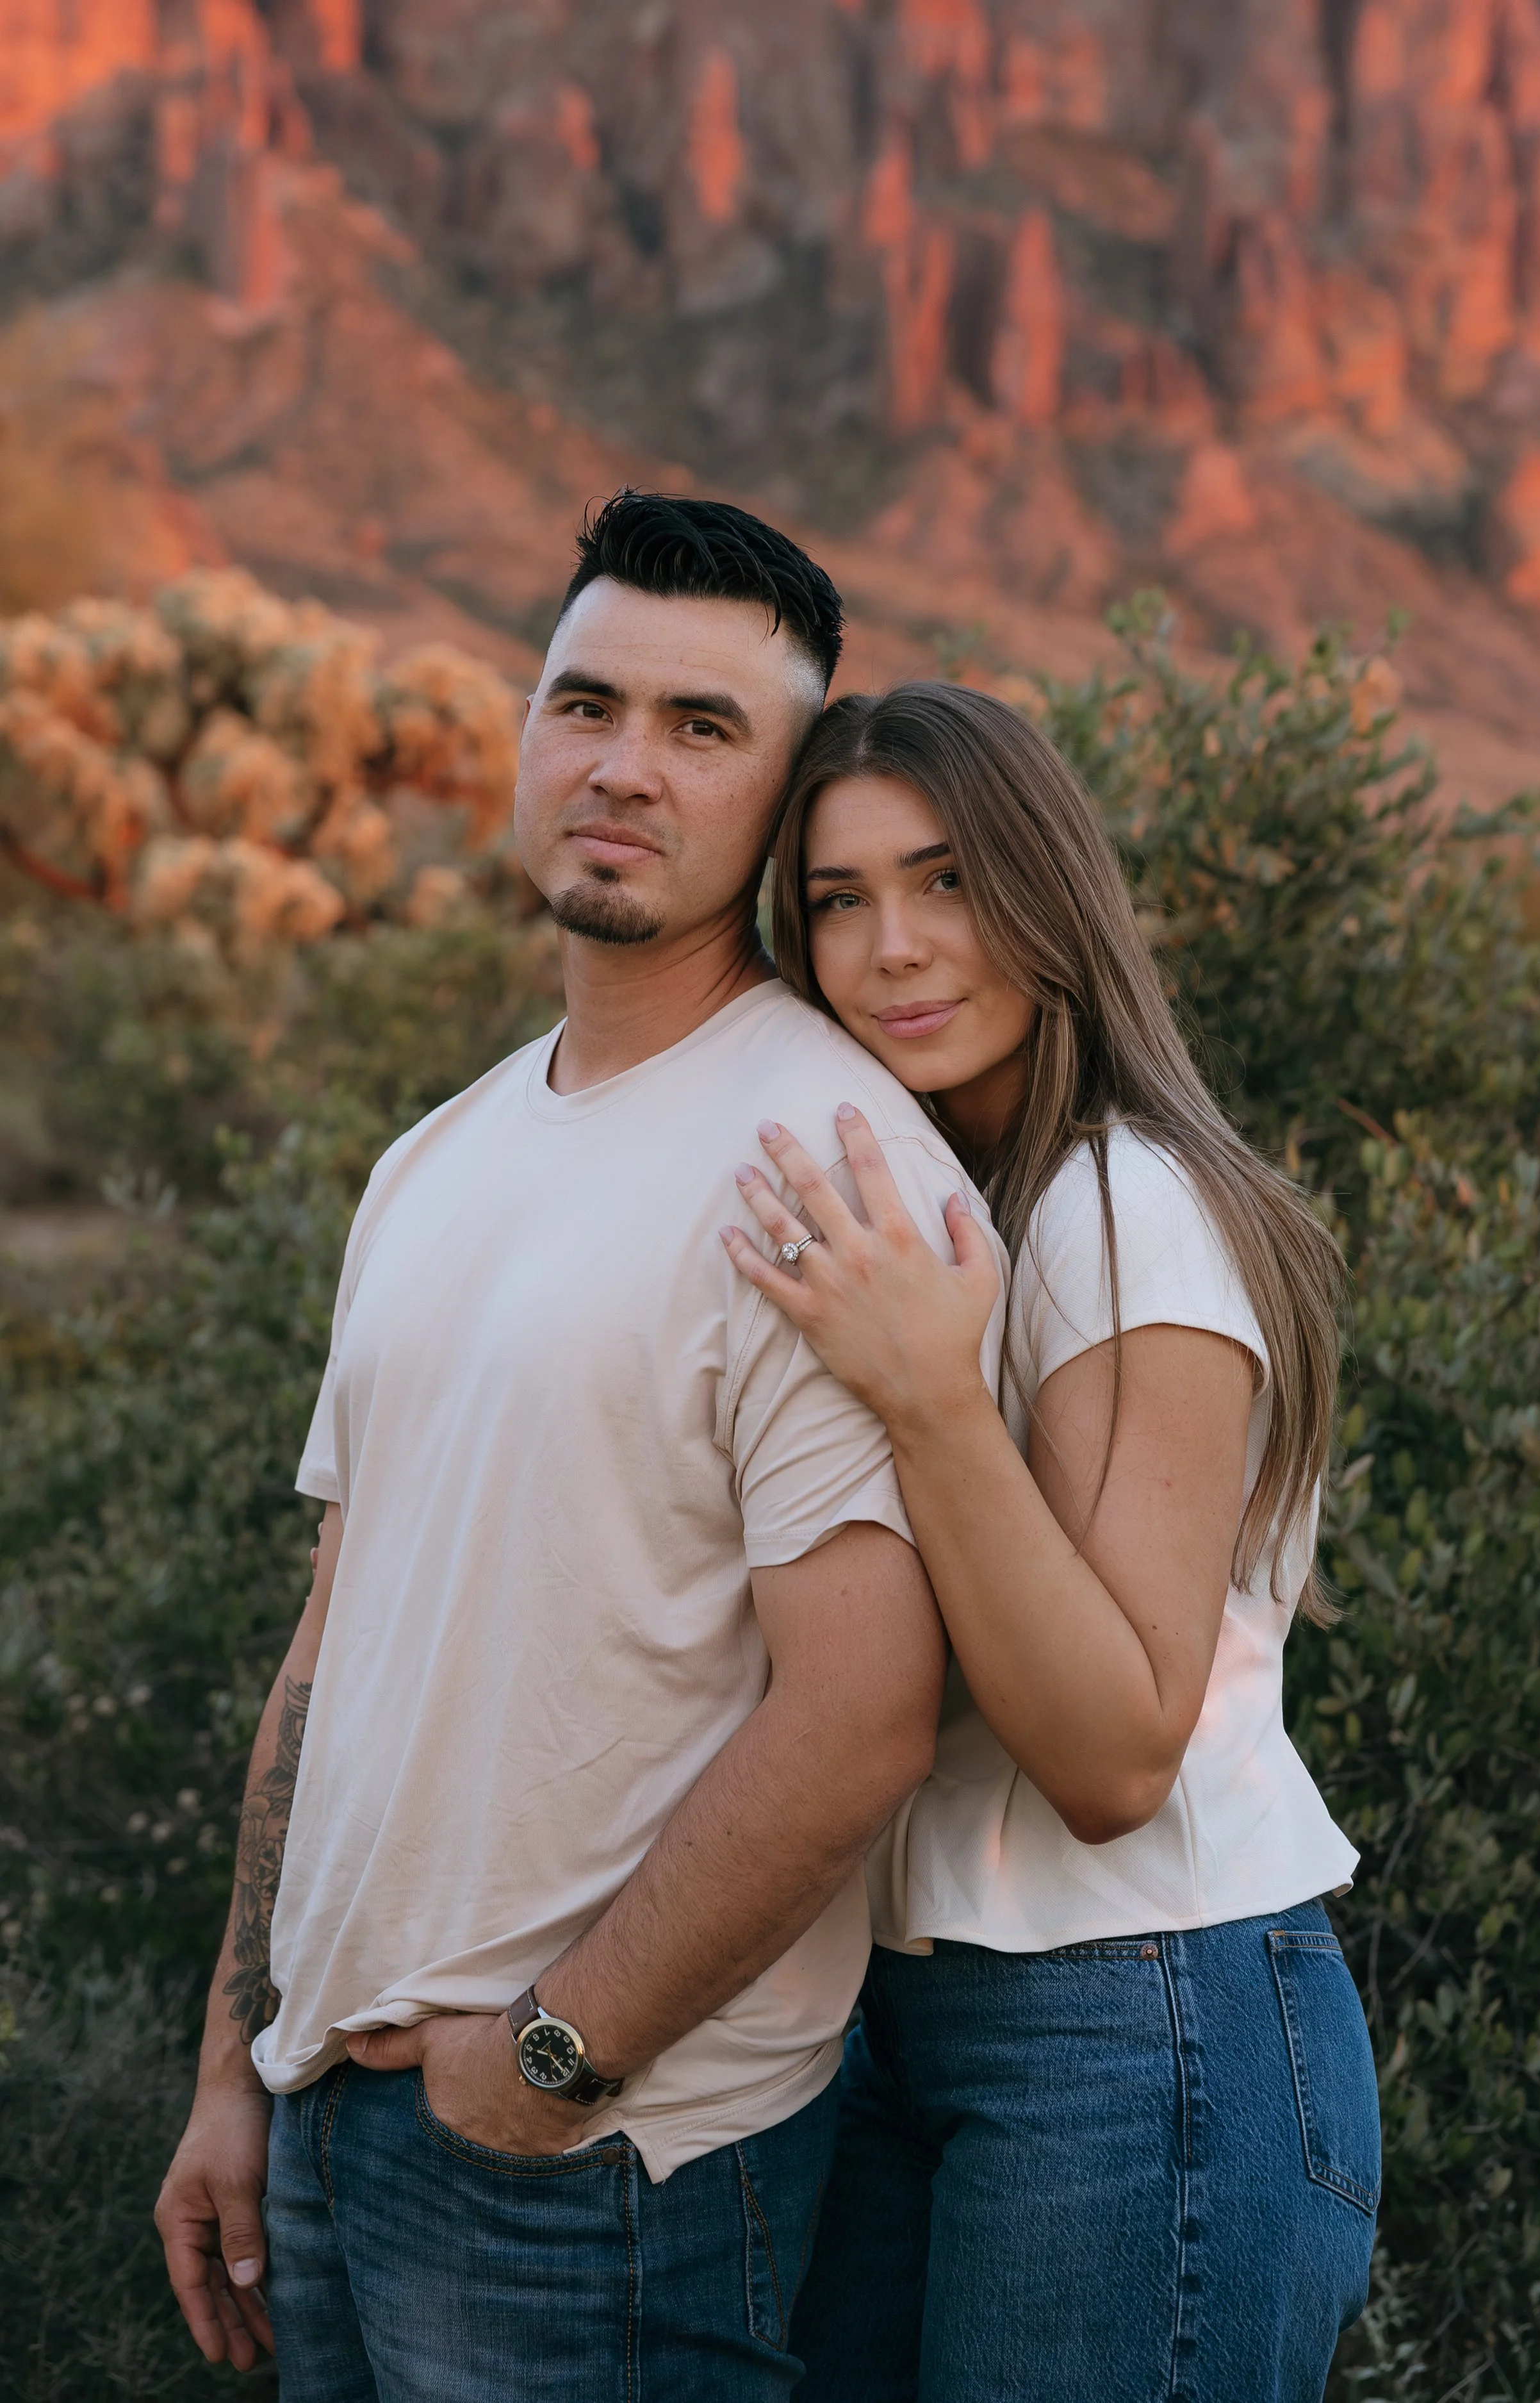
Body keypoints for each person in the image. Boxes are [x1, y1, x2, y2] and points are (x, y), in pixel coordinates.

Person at [154, 499, 1006, 2403]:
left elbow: (864, 1708)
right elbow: (332, 1651)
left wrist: (548, 2062)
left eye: (703, 728)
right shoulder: (434, 1158)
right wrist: (237, 2062)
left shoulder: (831, 1163)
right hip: (327, 2121)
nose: (624, 764)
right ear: (526, 730)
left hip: (598, 2166)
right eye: (585, 701)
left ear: (785, 800)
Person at [722, 682, 1382, 2403]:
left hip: (1135, 2014)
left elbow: (1110, 1753)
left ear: (1045, 892)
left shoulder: (1121, 1207)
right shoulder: (956, 1208)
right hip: (913, 2015)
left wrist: (933, 1403)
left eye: (944, 881)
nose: (892, 948)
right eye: (840, 900)